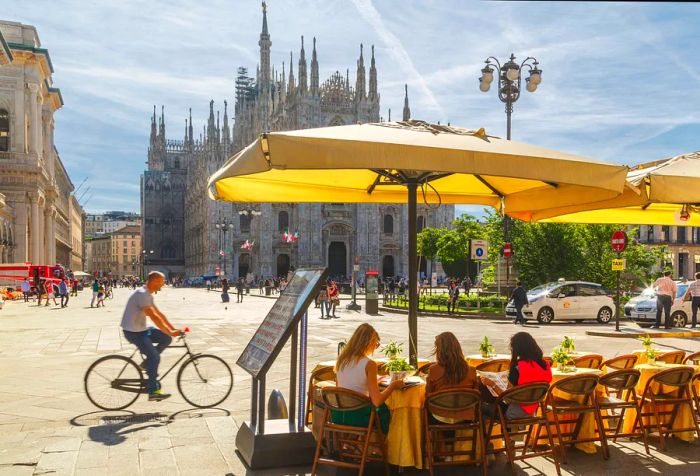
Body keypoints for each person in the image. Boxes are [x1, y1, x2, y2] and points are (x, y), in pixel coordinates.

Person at [121, 271, 184, 401]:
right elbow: (154, 317)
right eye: (162, 281)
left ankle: (146, 364)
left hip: (141, 329)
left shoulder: (147, 293)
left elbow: (159, 314)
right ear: (154, 281)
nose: (163, 284)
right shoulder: (143, 294)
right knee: (155, 358)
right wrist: (170, 330)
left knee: (166, 338)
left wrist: (172, 329)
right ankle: (153, 391)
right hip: (133, 332)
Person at [333, 323, 404, 433]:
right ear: (369, 343)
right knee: (385, 410)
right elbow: (377, 401)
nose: (375, 347)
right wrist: (393, 385)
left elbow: (343, 387)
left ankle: (353, 443)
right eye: (376, 344)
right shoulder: (369, 364)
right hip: (358, 417)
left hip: (338, 414)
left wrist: (372, 381)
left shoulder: (341, 360)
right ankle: (378, 446)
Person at [481, 332, 552, 420]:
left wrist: (492, 384)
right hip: (532, 413)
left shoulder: (518, 368)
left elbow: (507, 399)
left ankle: (487, 433)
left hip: (512, 413)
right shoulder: (545, 366)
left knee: (479, 406)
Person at [426, 332, 479, 423]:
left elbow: (428, 393)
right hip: (465, 416)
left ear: (439, 350)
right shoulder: (471, 370)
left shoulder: (433, 370)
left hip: (439, 416)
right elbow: (476, 395)